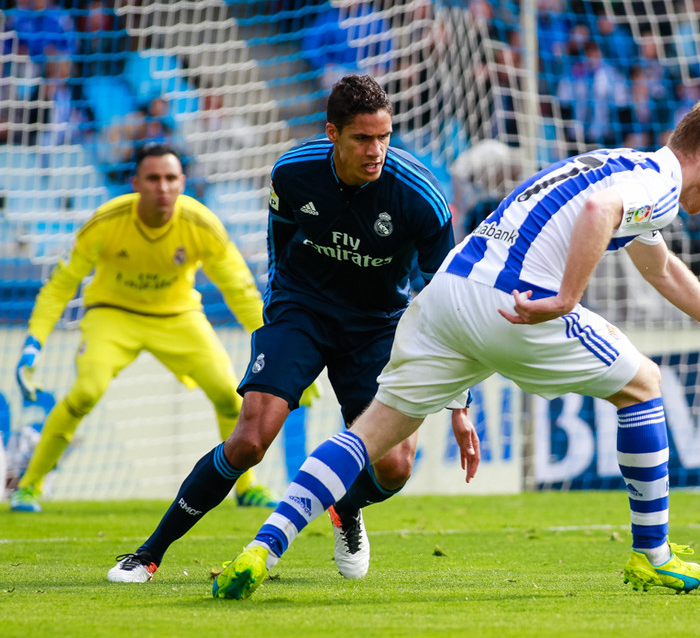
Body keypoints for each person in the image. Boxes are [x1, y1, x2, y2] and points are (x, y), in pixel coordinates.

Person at [211, 91, 700, 601]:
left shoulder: (624, 165)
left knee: (367, 434)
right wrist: (565, 298)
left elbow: (658, 266)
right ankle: (653, 557)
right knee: (645, 386)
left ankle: (262, 549)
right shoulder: (656, 186)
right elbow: (597, 212)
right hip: (513, 303)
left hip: (447, 296)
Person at [107, 75, 478, 584]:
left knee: (394, 467)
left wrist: (460, 403)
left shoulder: (421, 199)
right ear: (333, 133)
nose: (376, 151)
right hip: (302, 309)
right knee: (249, 441)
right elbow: (280, 246)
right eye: (362, 139)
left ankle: (343, 506)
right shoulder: (293, 172)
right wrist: (280, 314)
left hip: (377, 327)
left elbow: (448, 303)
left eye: (384, 137)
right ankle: (148, 553)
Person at [10, 145, 279, 513]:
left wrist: (274, 346)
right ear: (135, 183)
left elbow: (240, 291)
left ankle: (247, 489)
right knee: (86, 392)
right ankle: (28, 487)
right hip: (112, 314)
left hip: (178, 316)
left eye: (171, 178)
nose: (163, 188)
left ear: (183, 182)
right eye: (153, 179)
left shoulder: (201, 224)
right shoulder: (106, 221)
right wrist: (33, 342)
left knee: (229, 395)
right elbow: (60, 285)